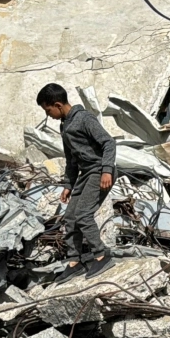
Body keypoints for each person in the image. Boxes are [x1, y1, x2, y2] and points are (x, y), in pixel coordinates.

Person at [36, 83, 117, 282]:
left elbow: (108, 142)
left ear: (57, 104)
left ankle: (102, 255)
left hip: (99, 171)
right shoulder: (64, 125)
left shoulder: (84, 119)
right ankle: (74, 262)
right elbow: (71, 160)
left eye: (48, 111)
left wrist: (106, 170)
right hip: (85, 174)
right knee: (70, 216)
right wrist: (68, 185)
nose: (49, 115)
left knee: (83, 214)